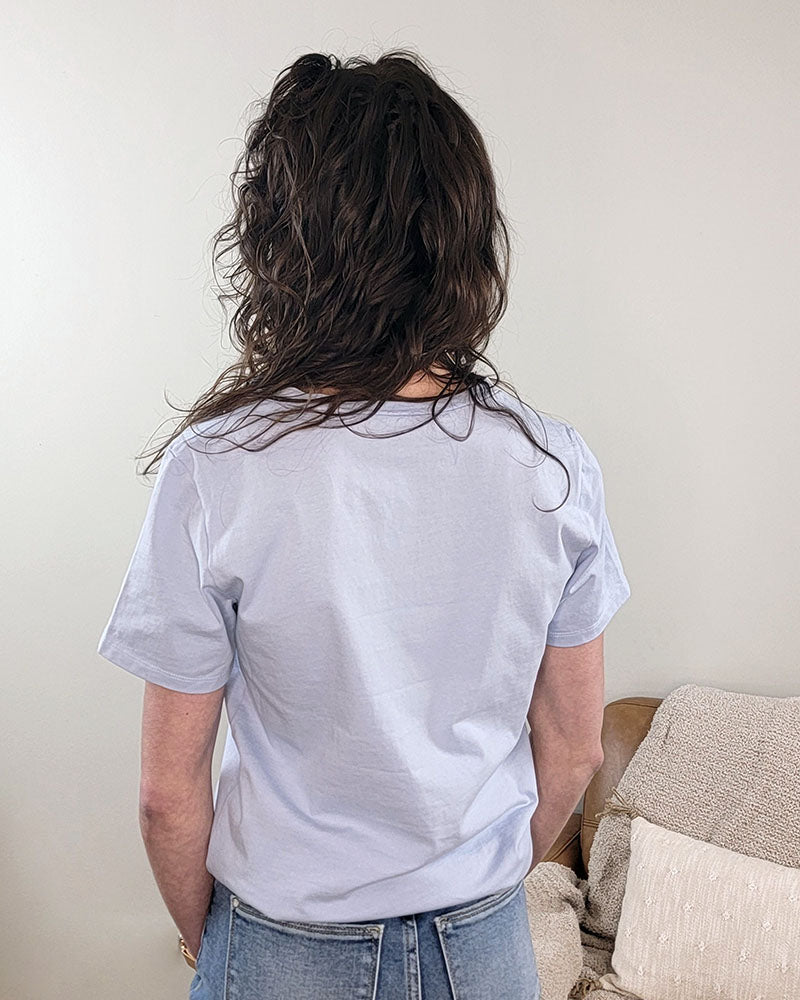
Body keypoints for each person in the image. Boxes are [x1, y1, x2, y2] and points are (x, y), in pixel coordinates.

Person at [97, 47, 631, 1000]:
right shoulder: (552, 467)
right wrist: (482, 887)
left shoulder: (217, 469)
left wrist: (208, 943)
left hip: (285, 944)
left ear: (282, 244)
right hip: (486, 945)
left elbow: (165, 797)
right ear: (462, 240)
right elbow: (576, 747)